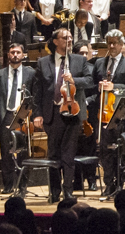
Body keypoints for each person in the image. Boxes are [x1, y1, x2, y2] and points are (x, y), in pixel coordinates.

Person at [32, 28, 94, 203]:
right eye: (64, 38)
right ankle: (54, 191)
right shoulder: (43, 62)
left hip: (73, 111)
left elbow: (90, 81)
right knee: (53, 154)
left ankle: (68, 190)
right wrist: (37, 114)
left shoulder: (79, 60)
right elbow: (37, 91)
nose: (69, 40)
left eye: (70, 37)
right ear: (55, 42)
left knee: (68, 154)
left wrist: (74, 80)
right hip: (52, 113)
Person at [90, 30, 125, 195]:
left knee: (120, 149)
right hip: (103, 113)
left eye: (115, 43)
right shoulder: (99, 63)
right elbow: (92, 85)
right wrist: (98, 87)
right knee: (105, 151)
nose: (111, 46)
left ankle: (120, 184)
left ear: (121, 44)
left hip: (121, 114)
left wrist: (116, 87)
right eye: (109, 42)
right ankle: (108, 184)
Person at [0, 42, 36, 194]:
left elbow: (35, 96)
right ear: (8, 55)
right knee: (6, 152)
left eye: (18, 52)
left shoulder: (31, 73)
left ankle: (23, 185)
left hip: (23, 115)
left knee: (24, 151)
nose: (15, 55)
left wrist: (33, 115)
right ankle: (8, 184)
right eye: (12, 52)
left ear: (23, 55)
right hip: (6, 115)